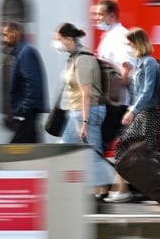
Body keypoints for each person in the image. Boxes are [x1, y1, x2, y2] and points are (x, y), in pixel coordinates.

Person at [106, 27, 160, 203]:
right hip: (141, 114)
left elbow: (147, 92)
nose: (128, 47)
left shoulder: (149, 63)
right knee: (130, 150)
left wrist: (132, 110)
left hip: (149, 114)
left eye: (129, 43)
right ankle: (123, 189)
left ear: (138, 43)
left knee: (137, 152)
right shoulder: (140, 63)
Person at [54, 23, 111, 197]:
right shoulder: (74, 57)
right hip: (76, 112)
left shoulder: (83, 60)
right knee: (63, 151)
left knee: (92, 153)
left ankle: (101, 193)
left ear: (69, 39)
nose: (57, 44)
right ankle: (69, 189)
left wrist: (85, 122)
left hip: (86, 112)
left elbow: (86, 93)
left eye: (59, 40)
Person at [94, 0, 135, 145]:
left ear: (111, 16)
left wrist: (119, 86)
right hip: (113, 101)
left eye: (100, 14)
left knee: (99, 145)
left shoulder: (118, 36)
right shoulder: (110, 35)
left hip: (116, 103)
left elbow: (127, 65)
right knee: (100, 145)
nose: (96, 18)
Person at [1, 21, 48, 143]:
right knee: (34, 147)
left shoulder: (26, 52)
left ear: (15, 33)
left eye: (5, 34)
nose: (3, 39)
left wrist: (24, 109)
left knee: (16, 148)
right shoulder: (21, 52)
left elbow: (32, 83)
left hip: (27, 112)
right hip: (27, 111)